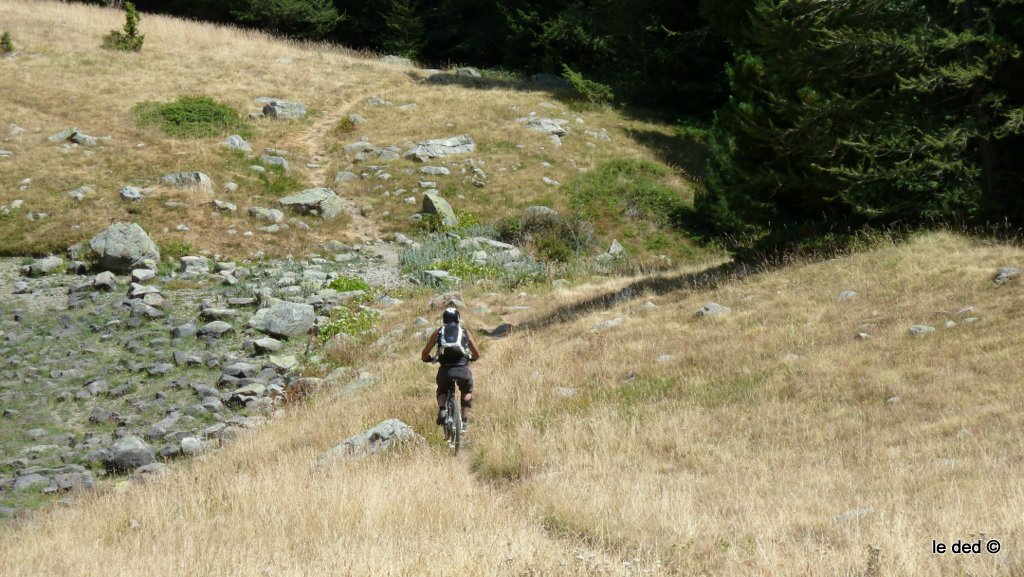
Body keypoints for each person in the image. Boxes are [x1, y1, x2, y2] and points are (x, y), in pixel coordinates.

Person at [421, 306, 480, 431]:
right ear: (458, 319)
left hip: (445, 370)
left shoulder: (438, 332)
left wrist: (427, 358)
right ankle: (463, 421)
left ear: (444, 319)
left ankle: (442, 409)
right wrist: (472, 358)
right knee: (466, 390)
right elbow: (477, 353)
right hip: (462, 368)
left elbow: (425, 352)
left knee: (442, 389)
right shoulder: (464, 332)